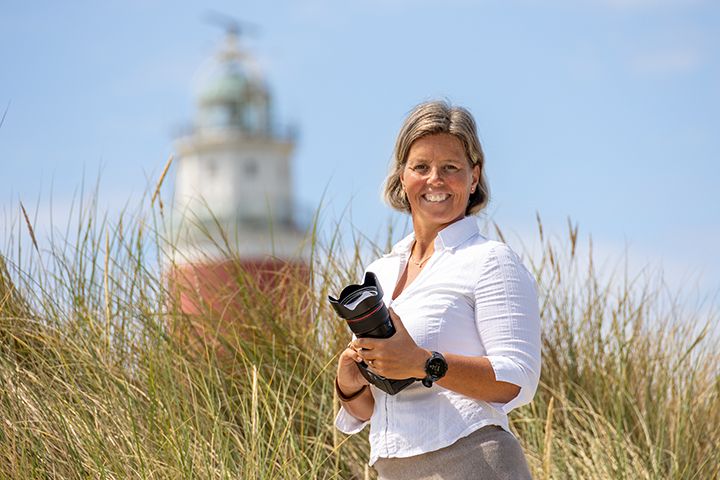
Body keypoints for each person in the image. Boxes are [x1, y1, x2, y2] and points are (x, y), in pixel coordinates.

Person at [334, 100, 541, 480]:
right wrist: (349, 382)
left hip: (474, 462)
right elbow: (370, 409)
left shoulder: (491, 260)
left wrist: (423, 363)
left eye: (451, 168)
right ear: (401, 176)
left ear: (473, 177)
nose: (435, 180)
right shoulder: (378, 273)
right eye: (421, 167)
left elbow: (517, 379)